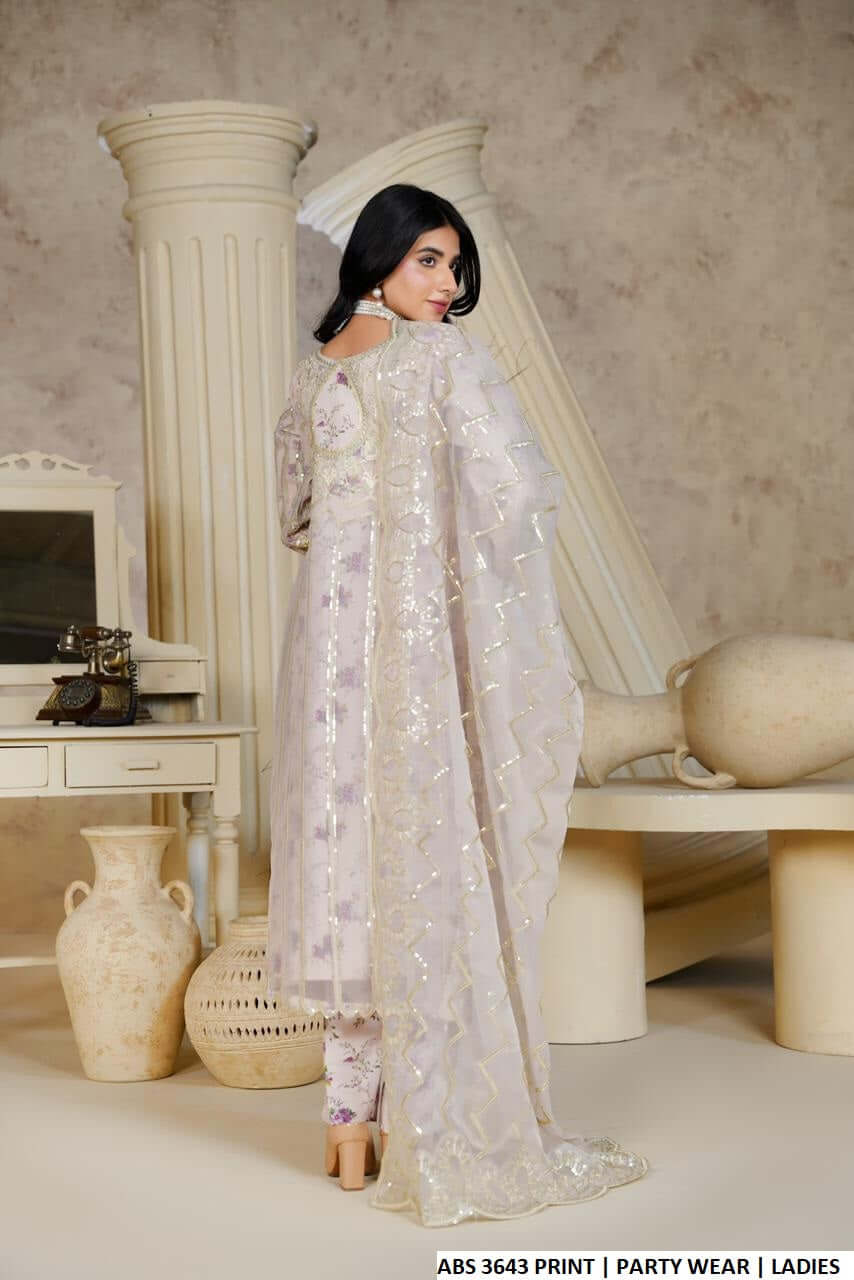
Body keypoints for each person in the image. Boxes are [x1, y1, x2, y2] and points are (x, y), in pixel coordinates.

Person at [267, 183, 647, 1226]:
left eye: (454, 264)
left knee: (344, 851)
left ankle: (348, 1122)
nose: (447, 284)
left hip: (324, 643)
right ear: (380, 255)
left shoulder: (312, 374)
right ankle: (422, 1115)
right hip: (409, 645)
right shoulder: (436, 360)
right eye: (428, 259)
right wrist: (456, 579)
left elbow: (296, 518)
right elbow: (516, 495)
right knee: (422, 849)